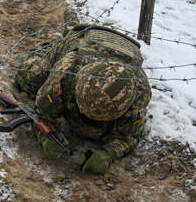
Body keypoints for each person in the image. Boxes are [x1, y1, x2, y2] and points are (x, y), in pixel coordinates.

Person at [14, 10, 151, 174]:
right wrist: (45, 135)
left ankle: (71, 26)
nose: (81, 113)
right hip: (81, 43)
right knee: (28, 79)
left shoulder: (139, 92)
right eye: (81, 108)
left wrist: (108, 154)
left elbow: (129, 135)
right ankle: (56, 39)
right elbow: (41, 111)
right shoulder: (67, 71)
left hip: (125, 47)